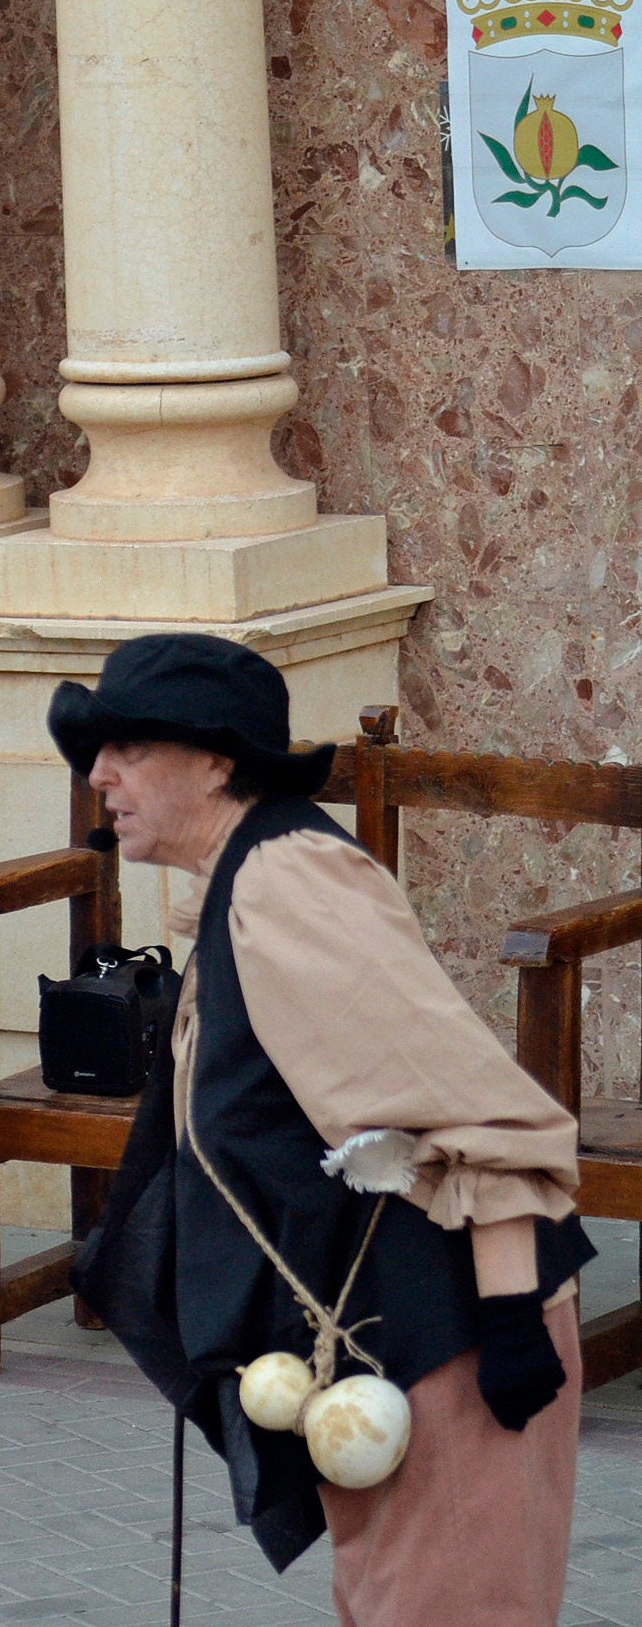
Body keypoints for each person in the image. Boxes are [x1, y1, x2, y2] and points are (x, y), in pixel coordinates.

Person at [56, 634, 592, 1624]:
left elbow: (473, 1112)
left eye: (126, 747)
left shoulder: (285, 883)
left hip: (458, 1332)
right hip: (385, 1343)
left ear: (216, 761)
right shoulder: (238, 881)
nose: (100, 776)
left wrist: (512, 1325)